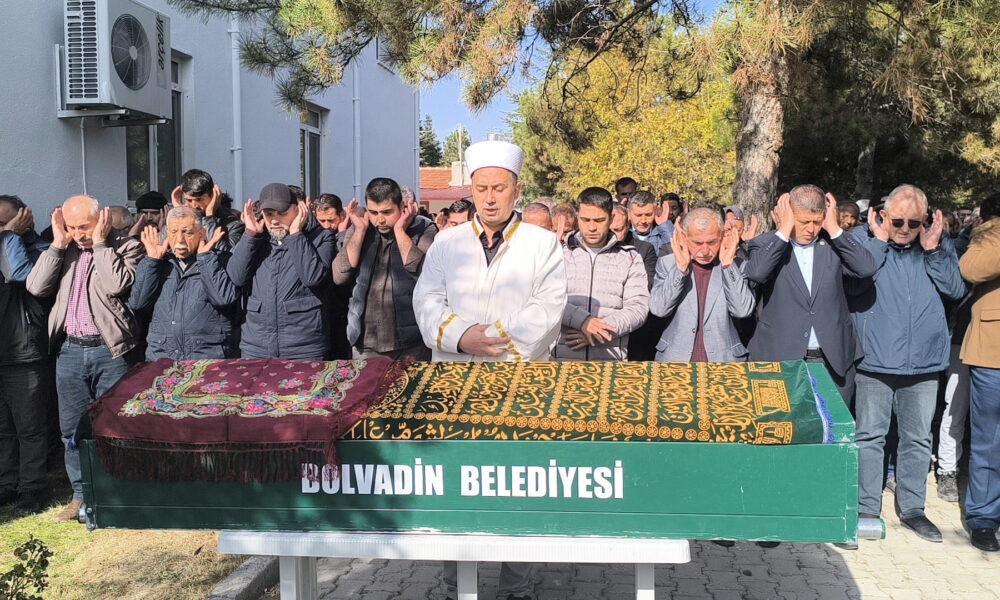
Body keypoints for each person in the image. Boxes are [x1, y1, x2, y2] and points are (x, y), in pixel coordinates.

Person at [414, 140, 566, 600]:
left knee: (518, 484)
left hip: (519, 385)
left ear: (517, 189)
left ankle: (517, 585)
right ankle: (455, 584)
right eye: (481, 189)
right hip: (454, 384)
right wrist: (462, 337)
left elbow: (547, 310)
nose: (490, 198)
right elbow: (426, 300)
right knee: (456, 483)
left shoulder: (542, 244)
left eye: (499, 188)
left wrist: (490, 339)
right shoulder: (446, 241)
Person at [848, 184, 966, 543]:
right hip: (875, 361)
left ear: (925, 220)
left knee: (916, 439)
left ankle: (913, 510)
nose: (904, 228)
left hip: (924, 365)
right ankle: (866, 508)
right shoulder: (864, 241)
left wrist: (933, 251)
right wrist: (878, 243)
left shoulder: (939, 245)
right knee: (870, 437)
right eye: (897, 220)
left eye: (913, 223)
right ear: (883, 215)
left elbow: (956, 290)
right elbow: (852, 284)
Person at [26, 195, 144, 522]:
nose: (79, 234)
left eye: (84, 226)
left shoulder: (126, 246)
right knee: (71, 429)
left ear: (101, 219)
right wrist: (57, 245)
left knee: (114, 426)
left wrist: (102, 244)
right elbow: (35, 287)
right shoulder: (65, 249)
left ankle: (116, 493)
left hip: (110, 351)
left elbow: (117, 284)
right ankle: (80, 494)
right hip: (70, 351)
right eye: (72, 227)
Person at [744, 185, 877, 405]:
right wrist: (783, 231)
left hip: (832, 361)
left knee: (832, 424)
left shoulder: (834, 244)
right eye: (804, 221)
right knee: (783, 424)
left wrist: (834, 228)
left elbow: (866, 268)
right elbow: (756, 273)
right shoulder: (766, 243)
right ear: (788, 215)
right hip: (781, 358)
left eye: (817, 222)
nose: (811, 229)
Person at [227, 183, 335, 360]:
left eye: (282, 213)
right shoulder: (256, 239)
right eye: (269, 214)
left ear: (298, 210)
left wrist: (296, 235)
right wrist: (250, 236)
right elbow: (237, 277)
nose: (275, 220)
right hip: (257, 346)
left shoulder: (321, 237)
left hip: (303, 346)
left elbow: (313, 277)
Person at [333, 178, 436, 361]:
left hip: (412, 342)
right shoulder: (360, 228)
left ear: (402, 207)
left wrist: (400, 231)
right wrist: (359, 231)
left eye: (387, 212)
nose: (380, 219)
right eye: (373, 212)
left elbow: (425, 275)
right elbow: (339, 275)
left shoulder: (424, 228)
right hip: (366, 341)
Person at [128, 206, 240, 360]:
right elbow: (138, 304)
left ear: (202, 233)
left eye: (187, 232)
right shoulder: (157, 262)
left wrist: (205, 259)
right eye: (173, 232)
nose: (179, 240)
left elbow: (223, 299)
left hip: (207, 356)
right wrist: (152, 262)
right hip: (162, 356)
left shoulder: (219, 260)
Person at [555, 187, 648, 360]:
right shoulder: (558, 253)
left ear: (611, 218)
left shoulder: (630, 258)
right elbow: (546, 299)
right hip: (561, 360)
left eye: (599, 220)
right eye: (585, 220)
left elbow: (638, 308)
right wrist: (583, 321)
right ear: (577, 217)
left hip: (610, 361)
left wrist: (598, 331)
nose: (591, 227)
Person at [0, 195, 50, 515]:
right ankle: (6, 484)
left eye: (2, 223)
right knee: (3, 429)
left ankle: (31, 488)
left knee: (29, 428)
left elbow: (19, 274)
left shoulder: (39, 249)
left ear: (24, 219)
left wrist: (11, 237)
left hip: (24, 353)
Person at [650, 207, 754, 361]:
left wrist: (727, 265)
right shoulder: (667, 263)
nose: (705, 251)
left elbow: (742, 311)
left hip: (724, 362)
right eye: (697, 243)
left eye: (711, 242)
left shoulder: (737, 266)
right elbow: (659, 309)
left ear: (722, 236)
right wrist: (680, 270)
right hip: (676, 361)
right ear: (684, 237)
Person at [958, 193, 1000, 552]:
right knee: (989, 442)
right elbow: (971, 269)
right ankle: (984, 517)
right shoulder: (991, 231)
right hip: (992, 353)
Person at [172, 169, 244, 251]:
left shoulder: (234, 225)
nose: (194, 205)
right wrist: (179, 215)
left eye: (199, 200)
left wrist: (209, 216)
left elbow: (225, 253)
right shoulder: (182, 216)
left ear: (213, 196)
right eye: (189, 200)